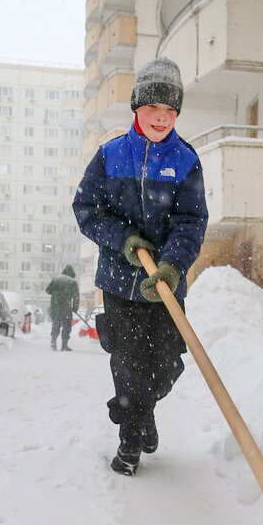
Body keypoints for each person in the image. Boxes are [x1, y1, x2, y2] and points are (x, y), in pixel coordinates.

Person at [72, 57, 208, 476]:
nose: (162, 118)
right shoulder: (111, 156)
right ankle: (130, 439)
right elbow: (86, 209)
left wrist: (171, 265)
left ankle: (141, 410)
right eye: (154, 109)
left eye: (170, 111)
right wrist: (125, 241)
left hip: (165, 285)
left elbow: (191, 221)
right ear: (136, 108)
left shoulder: (185, 160)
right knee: (129, 363)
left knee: (168, 363)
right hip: (119, 282)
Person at [45, 265, 79, 351]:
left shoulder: (56, 279)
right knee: (66, 325)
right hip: (66, 307)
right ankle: (64, 344)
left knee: (56, 323)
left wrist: (56, 294)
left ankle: (53, 342)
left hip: (55, 306)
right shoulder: (72, 282)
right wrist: (75, 307)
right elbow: (76, 297)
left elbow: (48, 290)